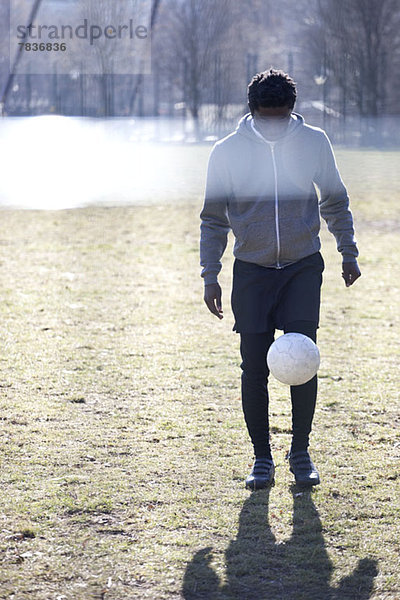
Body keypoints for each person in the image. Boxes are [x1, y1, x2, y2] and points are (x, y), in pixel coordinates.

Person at [199, 68, 361, 490]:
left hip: (302, 267)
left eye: (283, 116)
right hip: (251, 271)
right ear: (252, 111)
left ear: (292, 110)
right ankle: (261, 458)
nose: (275, 125)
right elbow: (213, 219)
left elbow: (335, 199)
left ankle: (301, 452)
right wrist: (210, 274)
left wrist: (348, 250)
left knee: (303, 361)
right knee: (253, 367)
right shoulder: (227, 151)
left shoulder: (313, 142)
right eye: (267, 117)